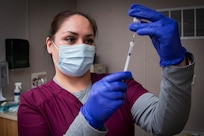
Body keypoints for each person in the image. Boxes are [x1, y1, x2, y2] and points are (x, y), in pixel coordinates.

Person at [18, 4, 195, 136]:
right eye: (70, 39)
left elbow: (166, 125)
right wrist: (89, 119)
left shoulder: (119, 86)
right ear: (50, 45)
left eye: (88, 41)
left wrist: (176, 63)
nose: (82, 46)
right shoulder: (32, 103)